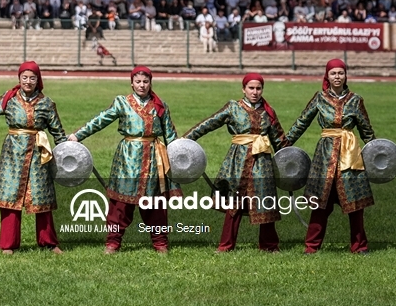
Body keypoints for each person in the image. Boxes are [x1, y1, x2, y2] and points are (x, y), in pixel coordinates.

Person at [68, 66, 180, 253]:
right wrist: (78, 135)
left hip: (153, 156)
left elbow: (170, 134)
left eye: (145, 82)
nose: (142, 85)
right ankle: (113, 242)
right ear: (132, 83)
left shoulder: (160, 105)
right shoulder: (122, 102)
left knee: (154, 202)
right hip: (128, 157)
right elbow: (101, 120)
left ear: (150, 83)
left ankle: (160, 242)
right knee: (121, 202)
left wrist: (179, 156)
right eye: (138, 82)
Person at [0, 61, 66, 254]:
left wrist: (70, 151)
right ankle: (8, 244)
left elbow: (58, 132)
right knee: (10, 198)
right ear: (19, 79)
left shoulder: (46, 103)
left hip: (38, 154)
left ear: (38, 80)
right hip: (12, 154)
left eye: (32, 78)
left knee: (42, 198)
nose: (28, 81)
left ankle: (49, 242)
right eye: (24, 77)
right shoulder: (9, 99)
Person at [183, 73, 288, 252]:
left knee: (265, 202)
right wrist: (185, 140)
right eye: (251, 88)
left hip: (262, 162)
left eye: (258, 88)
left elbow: (279, 140)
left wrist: (292, 161)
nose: (255, 92)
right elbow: (209, 123)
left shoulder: (268, 112)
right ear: (243, 89)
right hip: (238, 160)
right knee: (234, 202)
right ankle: (226, 245)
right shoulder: (233, 107)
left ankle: (270, 246)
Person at [284, 59, 376, 254]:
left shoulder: (355, 100)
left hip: (350, 156)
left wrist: (377, 152)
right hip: (324, 157)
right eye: (333, 73)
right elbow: (302, 122)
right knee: (320, 204)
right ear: (327, 76)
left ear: (345, 75)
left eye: (340, 73)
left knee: (355, 205)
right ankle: (312, 246)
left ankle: (359, 246)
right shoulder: (319, 98)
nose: (337, 77)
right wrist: (284, 145)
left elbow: (367, 131)